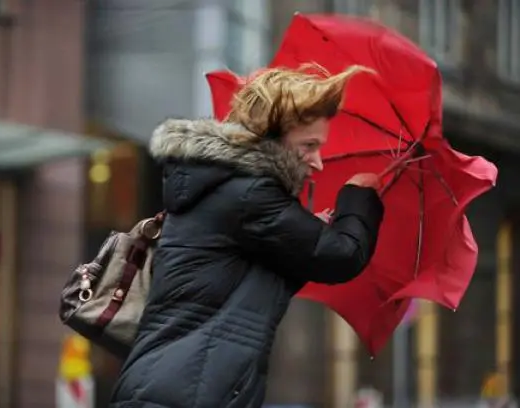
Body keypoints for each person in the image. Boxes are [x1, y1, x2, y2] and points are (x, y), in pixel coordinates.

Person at [110, 64, 385, 408]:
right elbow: (340, 256)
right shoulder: (250, 193)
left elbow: (255, 282)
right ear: (271, 137)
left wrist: (308, 230)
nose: (317, 162)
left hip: (175, 388)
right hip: (184, 393)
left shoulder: (231, 188)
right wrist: (359, 197)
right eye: (309, 145)